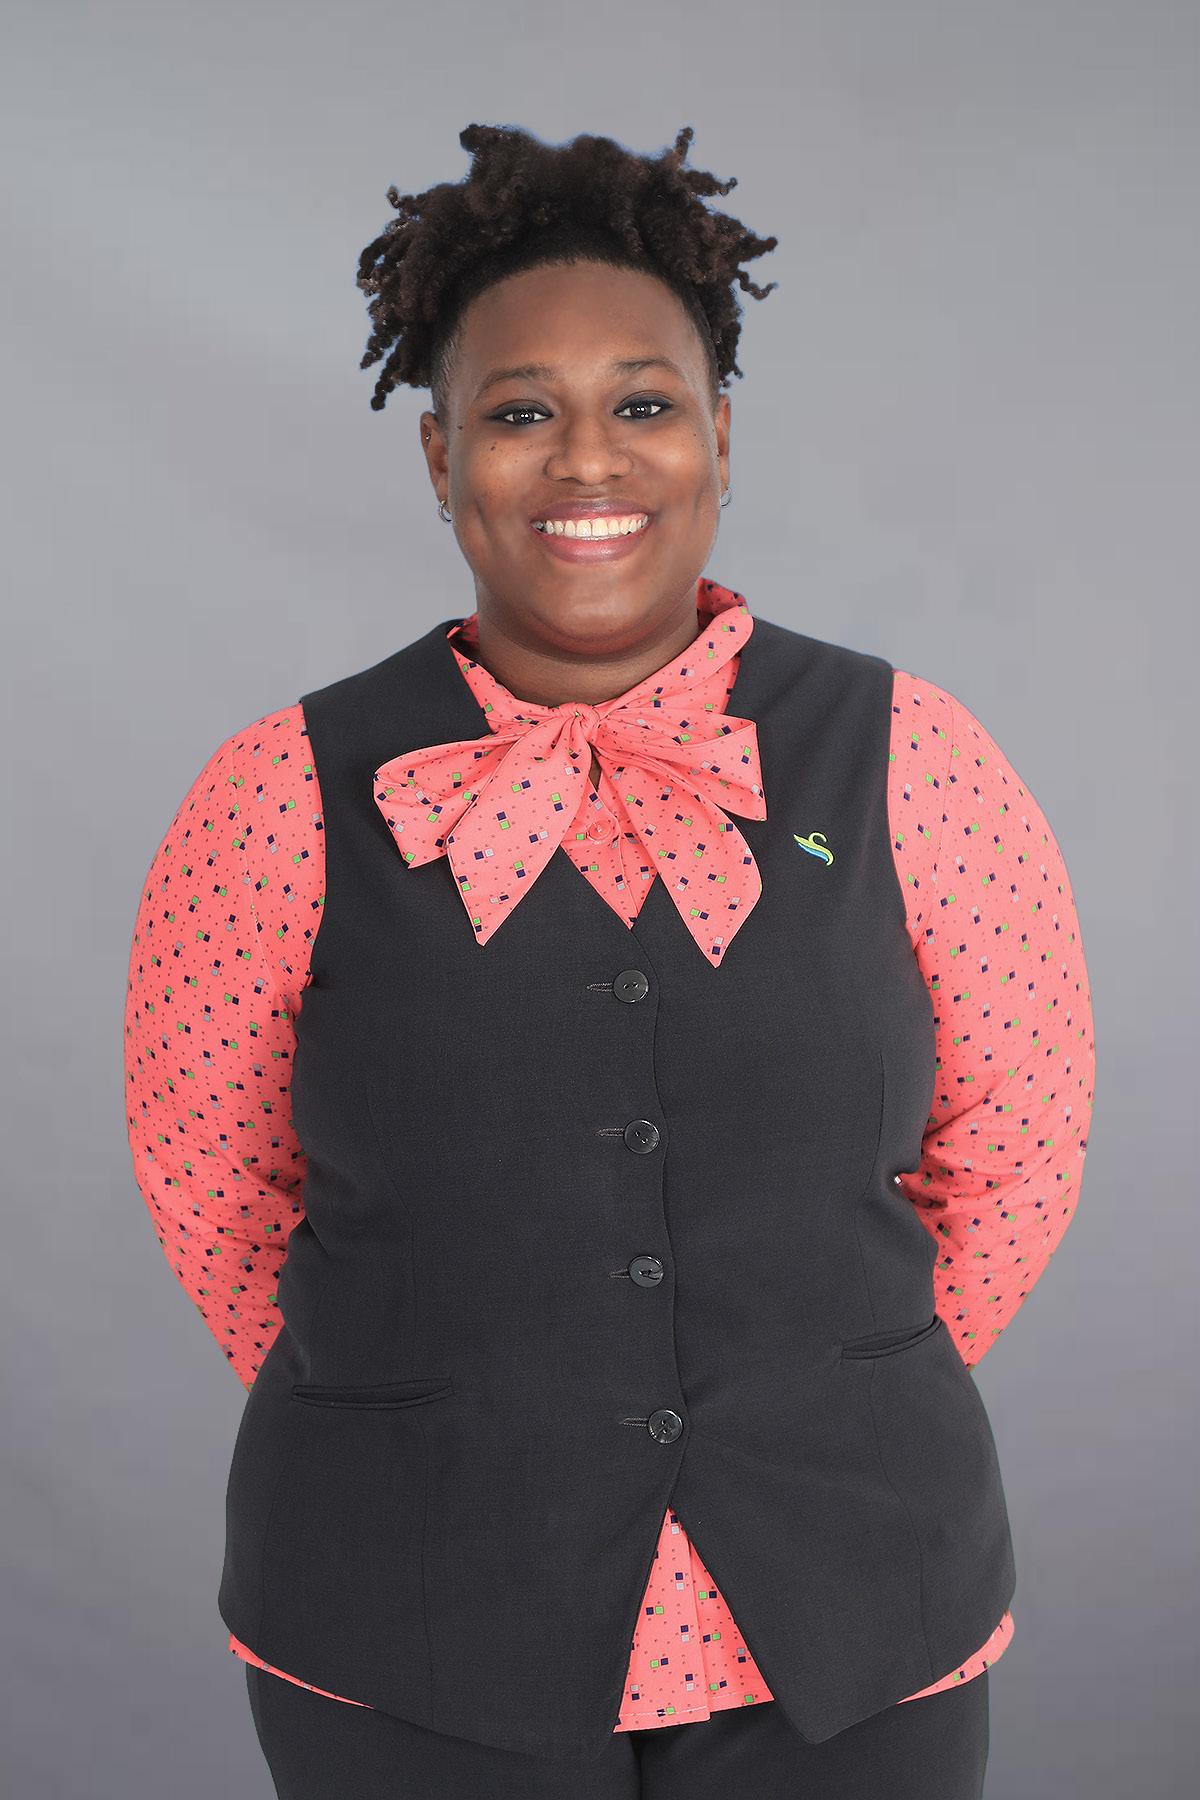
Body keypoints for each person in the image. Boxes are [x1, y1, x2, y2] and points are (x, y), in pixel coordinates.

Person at [124, 122, 1096, 1799]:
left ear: (719, 437)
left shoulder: (912, 758)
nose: (588, 460)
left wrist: (821, 1385)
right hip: (404, 1609)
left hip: (857, 1597)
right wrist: (420, 1401)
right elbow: (217, 1190)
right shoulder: (277, 792)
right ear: (441, 457)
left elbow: (1016, 1151)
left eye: (644, 404)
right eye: (521, 413)